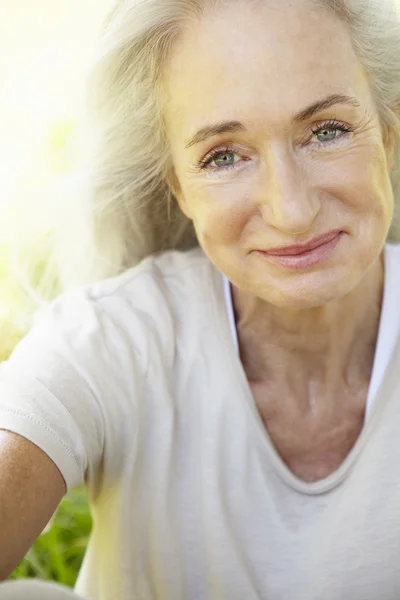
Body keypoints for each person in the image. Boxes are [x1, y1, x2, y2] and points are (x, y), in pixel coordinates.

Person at [1, 0, 400, 598]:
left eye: (327, 130)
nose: (291, 211)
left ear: (388, 134)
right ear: (178, 187)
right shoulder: (114, 338)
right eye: (224, 156)